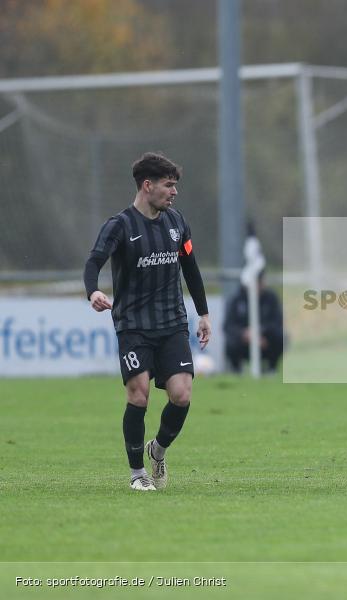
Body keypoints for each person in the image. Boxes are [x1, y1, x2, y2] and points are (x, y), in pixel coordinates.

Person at [83, 152, 210, 492]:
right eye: (169, 185)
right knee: (138, 396)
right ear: (147, 185)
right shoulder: (119, 226)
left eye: (175, 186)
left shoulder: (177, 222)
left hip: (171, 323)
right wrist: (92, 291)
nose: (174, 192)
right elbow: (94, 261)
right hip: (134, 326)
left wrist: (204, 314)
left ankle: (158, 450)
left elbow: (191, 268)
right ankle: (137, 474)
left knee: (182, 395)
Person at [224, 271, 284, 373]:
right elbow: (228, 326)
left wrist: (260, 332)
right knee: (230, 343)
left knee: (280, 338)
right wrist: (244, 334)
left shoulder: (271, 298)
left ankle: (271, 370)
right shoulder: (236, 299)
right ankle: (236, 372)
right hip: (243, 342)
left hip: (265, 341)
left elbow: (277, 322)